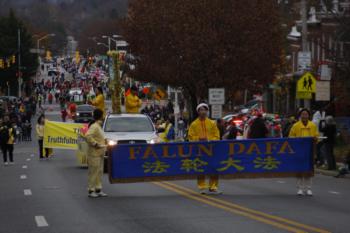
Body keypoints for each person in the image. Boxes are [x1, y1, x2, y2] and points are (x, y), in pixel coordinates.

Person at [188, 103, 221, 195]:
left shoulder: (212, 123)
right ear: (198, 112)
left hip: (211, 150)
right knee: (201, 168)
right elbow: (190, 137)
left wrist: (209, 140)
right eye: (201, 110)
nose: (203, 112)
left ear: (207, 111)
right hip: (199, 150)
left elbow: (217, 136)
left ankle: (213, 187)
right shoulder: (193, 124)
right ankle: (202, 187)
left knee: (214, 168)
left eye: (204, 110)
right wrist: (198, 139)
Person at [289, 108, 319, 196]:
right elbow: (291, 137)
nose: (304, 116)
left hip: (309, 151)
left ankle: (308, 188)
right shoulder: (295, 125)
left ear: (309, 115)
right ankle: (300, 188)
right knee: (300, 170)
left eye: (306, 114)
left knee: (309, 170)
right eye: (303, 114)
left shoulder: (313, 125)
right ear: (300, 115)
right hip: (299, 150)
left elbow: (316, 136)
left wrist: (315, 139)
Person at [85, 109, 107, 198]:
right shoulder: (94, 126)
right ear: (100, 116)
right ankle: (91, 190)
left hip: (100, 153)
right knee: (93, 172)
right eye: (103, 115)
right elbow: (88, 136)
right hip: (94, 153)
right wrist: (95, 144)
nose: (104, 116)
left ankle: (98, 189)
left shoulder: (99, 126)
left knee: (99, 172)